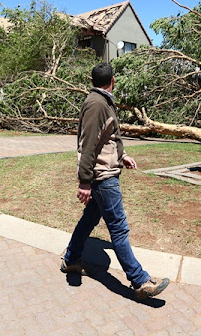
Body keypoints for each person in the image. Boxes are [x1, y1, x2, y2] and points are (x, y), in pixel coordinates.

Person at [61, 62, 169, 300]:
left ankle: (71, 259)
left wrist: (123, 156)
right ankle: (140, 281)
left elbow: (106, 139)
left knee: (89, 220)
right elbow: (87, 144)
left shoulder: (101, 101)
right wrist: (85, 182)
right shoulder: (97, 104)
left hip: (104, 172)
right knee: (119, 229)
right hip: (103, 177)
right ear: (113, 81)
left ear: (93, 81)